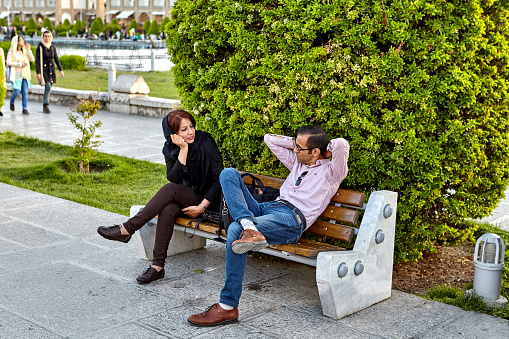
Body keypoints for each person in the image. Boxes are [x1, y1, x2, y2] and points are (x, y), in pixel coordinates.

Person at [188, 126, 350, 327]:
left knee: (234, 230)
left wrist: (325, 149)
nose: (295, 151)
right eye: (295, 146)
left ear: (316, 152)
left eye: (299, 148)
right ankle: (249, 226)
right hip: (267, 208)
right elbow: (269, 139)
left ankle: (227, 307)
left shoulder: (332, 172)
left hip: (290, 220)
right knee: (228, 174)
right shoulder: (297, 162)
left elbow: (341, 144)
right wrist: (297, 143)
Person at [97, 110, 224, 284]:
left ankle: (127, 228)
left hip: (209, 200)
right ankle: (158, 267)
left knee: (169, 190)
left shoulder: (205, 143)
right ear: (173, 135)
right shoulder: (170, 149)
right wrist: (183, 149)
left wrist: (202, 206)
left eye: (191, 126)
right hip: (188, 198)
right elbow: (174, 177)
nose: (190, 132)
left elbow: (219, 180)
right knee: (168, 208)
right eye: (184, 129)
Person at [36, 29, 64, 114]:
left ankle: (46, 103)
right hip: (44, 70)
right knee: (47, 86)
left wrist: (61, 70)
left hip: (51, 70)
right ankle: (46, 104)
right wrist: (38, 73)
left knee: (49, 87)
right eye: (45, 36)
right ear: (43, 37)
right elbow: (37, 60)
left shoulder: (52, 47)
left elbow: (56, 59)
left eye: (48, 36)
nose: (47, 38)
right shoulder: (40, 47)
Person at [7, 35, 34, 115]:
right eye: (21, 40)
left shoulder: (24, 51)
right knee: (16, 91)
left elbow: (32, 59)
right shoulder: (11, 51)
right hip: (16, 74)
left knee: (25, 92)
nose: (23, 41)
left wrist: (29, 50)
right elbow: (8, 62)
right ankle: (12, 101)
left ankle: (24, 108)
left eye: (23, 39)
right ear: (17, 42)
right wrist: (19, 64)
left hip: (24, 75)